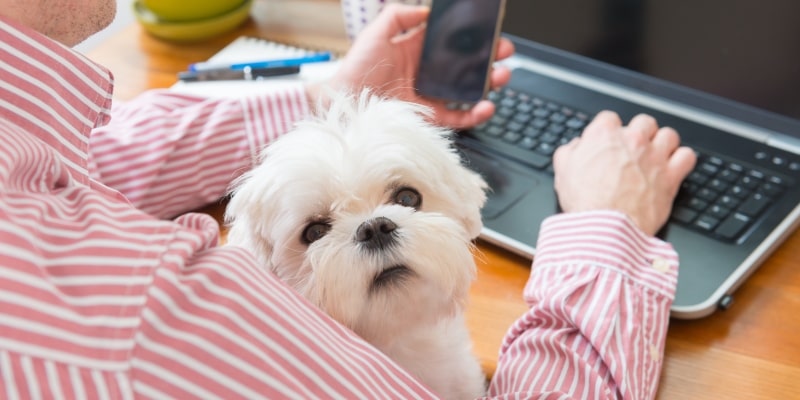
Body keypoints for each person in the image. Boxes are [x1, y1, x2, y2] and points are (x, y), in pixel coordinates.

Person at [0, 1, 696, 399]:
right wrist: (609, 230)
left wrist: (325, 95)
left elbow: (95, 158)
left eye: (404, 194)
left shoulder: (26, 150)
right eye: (313, 231)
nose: (376, 227)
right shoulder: (127, 332)